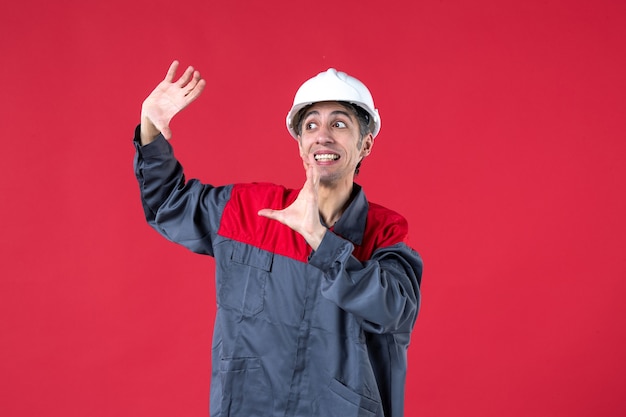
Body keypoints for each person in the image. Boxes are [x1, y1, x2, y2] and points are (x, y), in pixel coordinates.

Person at [133, 60, 423, 417]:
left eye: (339, 124)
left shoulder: (384, 231)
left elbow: (395, 311)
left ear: (365, 144)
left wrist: (322, 239)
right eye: (311, 125)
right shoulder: (248, 211)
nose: (323, 135)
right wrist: (150, 129)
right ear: (301, 144)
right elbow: (169, 204)